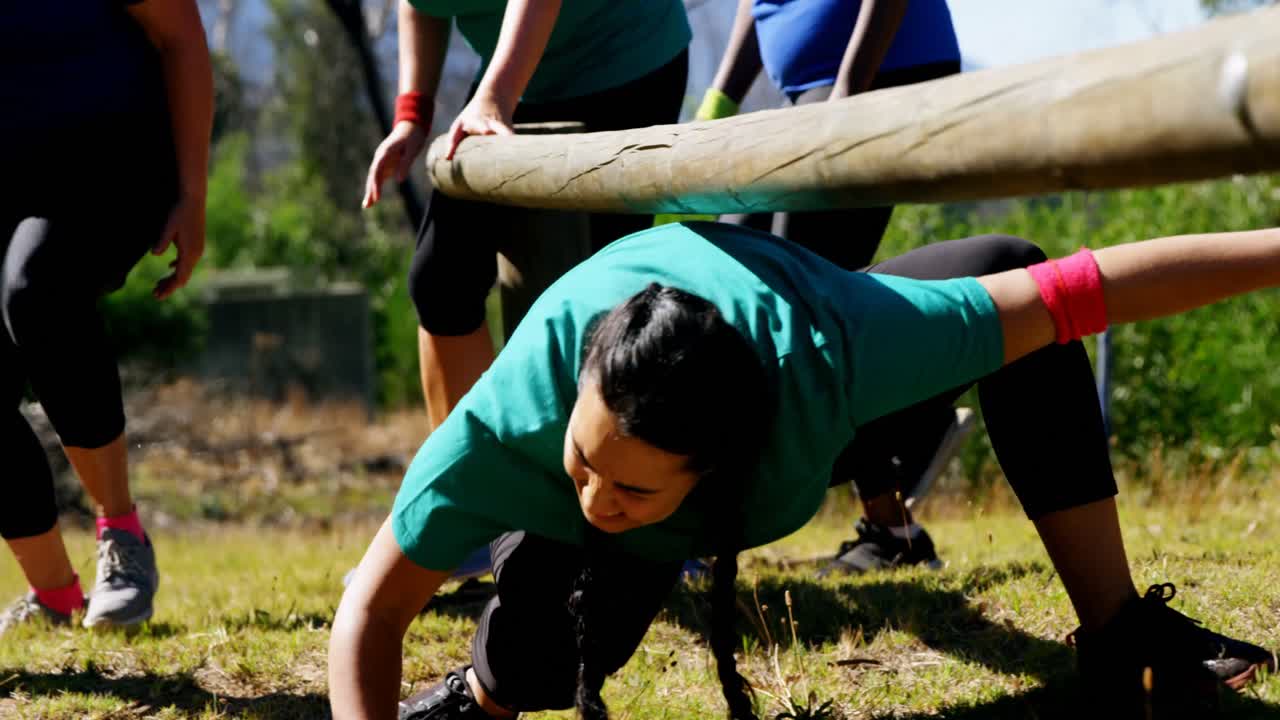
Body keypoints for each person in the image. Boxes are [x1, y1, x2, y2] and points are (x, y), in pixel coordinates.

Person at [330, 221, 1279, 720]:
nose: (594, 495)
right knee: (543, 658)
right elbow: (368, 614)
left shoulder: (846, 354)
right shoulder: (510, 430)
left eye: (628, 488)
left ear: (714, 468)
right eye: (585, 462)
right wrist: (597, 488)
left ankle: (1118, 632)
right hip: (678, 440)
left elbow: (1086, 288)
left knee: (1012, 278)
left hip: (804, 398)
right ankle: (483, 699)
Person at [684, 0, 971, 575]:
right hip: (813, 92)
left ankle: (911, 432)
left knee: (797, 306)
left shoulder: (856, 82)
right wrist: (722, 97)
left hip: (873, 77)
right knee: (738, 282)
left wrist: (849, 88)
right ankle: (898, 509)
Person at [362, 0, 691, 432]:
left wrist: (497, 95)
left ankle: (592, 479)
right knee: (440, 281)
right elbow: (420, 5)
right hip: (515, 74)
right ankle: (469, 478)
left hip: (622, 61)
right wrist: (412, 117)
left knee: (594, 304)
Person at [0, 0, 213, 632]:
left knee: (37, 288)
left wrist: (193, 195)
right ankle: (55, 597)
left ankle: (122, 537)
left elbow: (181, 38)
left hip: (111, 164)